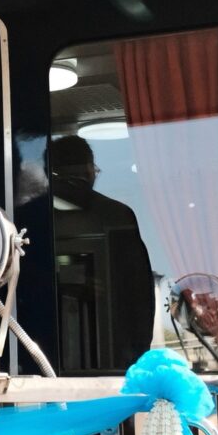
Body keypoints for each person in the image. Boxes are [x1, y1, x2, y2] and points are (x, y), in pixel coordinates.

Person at [50, 134, 154, 371]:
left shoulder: (26, 218)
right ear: (89, 170)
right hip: (114, 354)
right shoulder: (118, 215)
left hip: (39, 357)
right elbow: (139, 294)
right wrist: (138, 355)